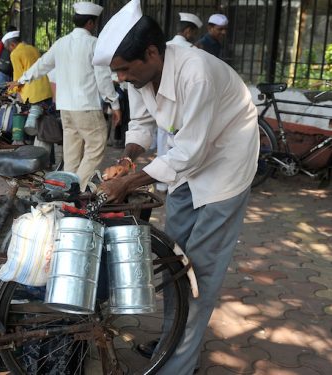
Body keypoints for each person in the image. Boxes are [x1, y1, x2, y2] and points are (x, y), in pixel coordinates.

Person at [92, 1, 259, 374]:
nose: (120, 79)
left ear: (151, 52)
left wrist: (129, 183)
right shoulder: (138, 74)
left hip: (225, 169)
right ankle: (174, 339)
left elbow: (193, 150)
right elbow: (142, 125)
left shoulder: (196, 72)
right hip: (184, 167)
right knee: (173, 263)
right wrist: (128, 159)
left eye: (123, 70)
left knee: (198, 273)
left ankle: (178, 366)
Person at [15, 2, 122, 187]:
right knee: (96, 147)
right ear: (91, 23)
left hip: (65, 108)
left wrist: (22, 79)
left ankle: (65, 192)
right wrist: (115, 104)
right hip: (86, 107)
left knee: (71, 154)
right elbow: (103, 78)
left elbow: (42, 65)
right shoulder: (94, 44)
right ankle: (76, 187)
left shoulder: (61, 43)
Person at [152, 12, 202, 192]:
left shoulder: (162, 49)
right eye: (194, 32)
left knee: (162, 144)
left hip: (161, 105)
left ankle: (160, 183)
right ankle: (174, 181)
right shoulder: (193, 51)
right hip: (182, 107)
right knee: (179, 146)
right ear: (188, 31)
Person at [4, 31, 55, 163]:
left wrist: (11, 91)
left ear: (12, 44)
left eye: (8, 47)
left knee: (31, 128)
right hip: (46, 90)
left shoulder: (15, 53)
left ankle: (34, 161)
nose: (9, 50)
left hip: (32, 94)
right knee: (45, 127)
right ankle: (49, 160)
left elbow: (18, 77)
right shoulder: (32, 48)